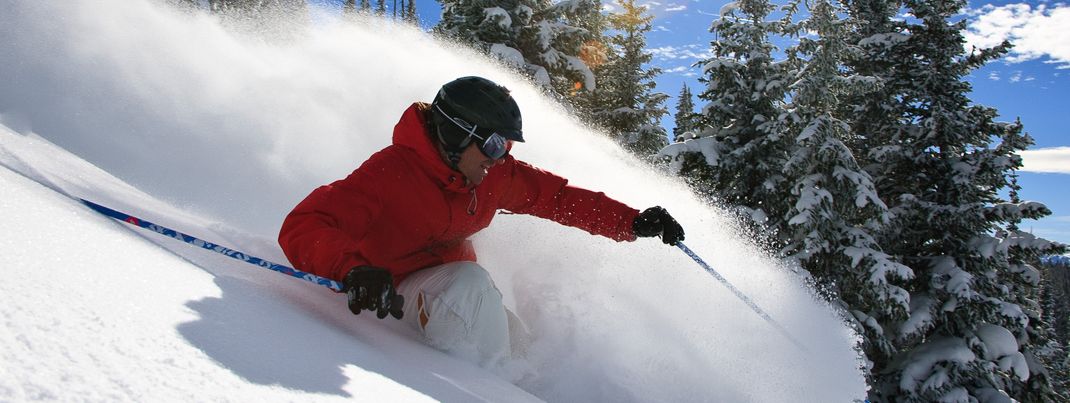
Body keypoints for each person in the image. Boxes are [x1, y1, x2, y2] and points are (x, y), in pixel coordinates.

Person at [278, 76, 684, 366]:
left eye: (505, 146)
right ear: (456, 134)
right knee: (473, 291)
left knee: (520, 343)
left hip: (446, 291)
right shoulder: (391, 172)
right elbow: (306, 223)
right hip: (390, 294)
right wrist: (353, 270)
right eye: (492, 144)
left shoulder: (494, 175)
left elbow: (558, 198)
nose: (499, 157)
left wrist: (631, 222)